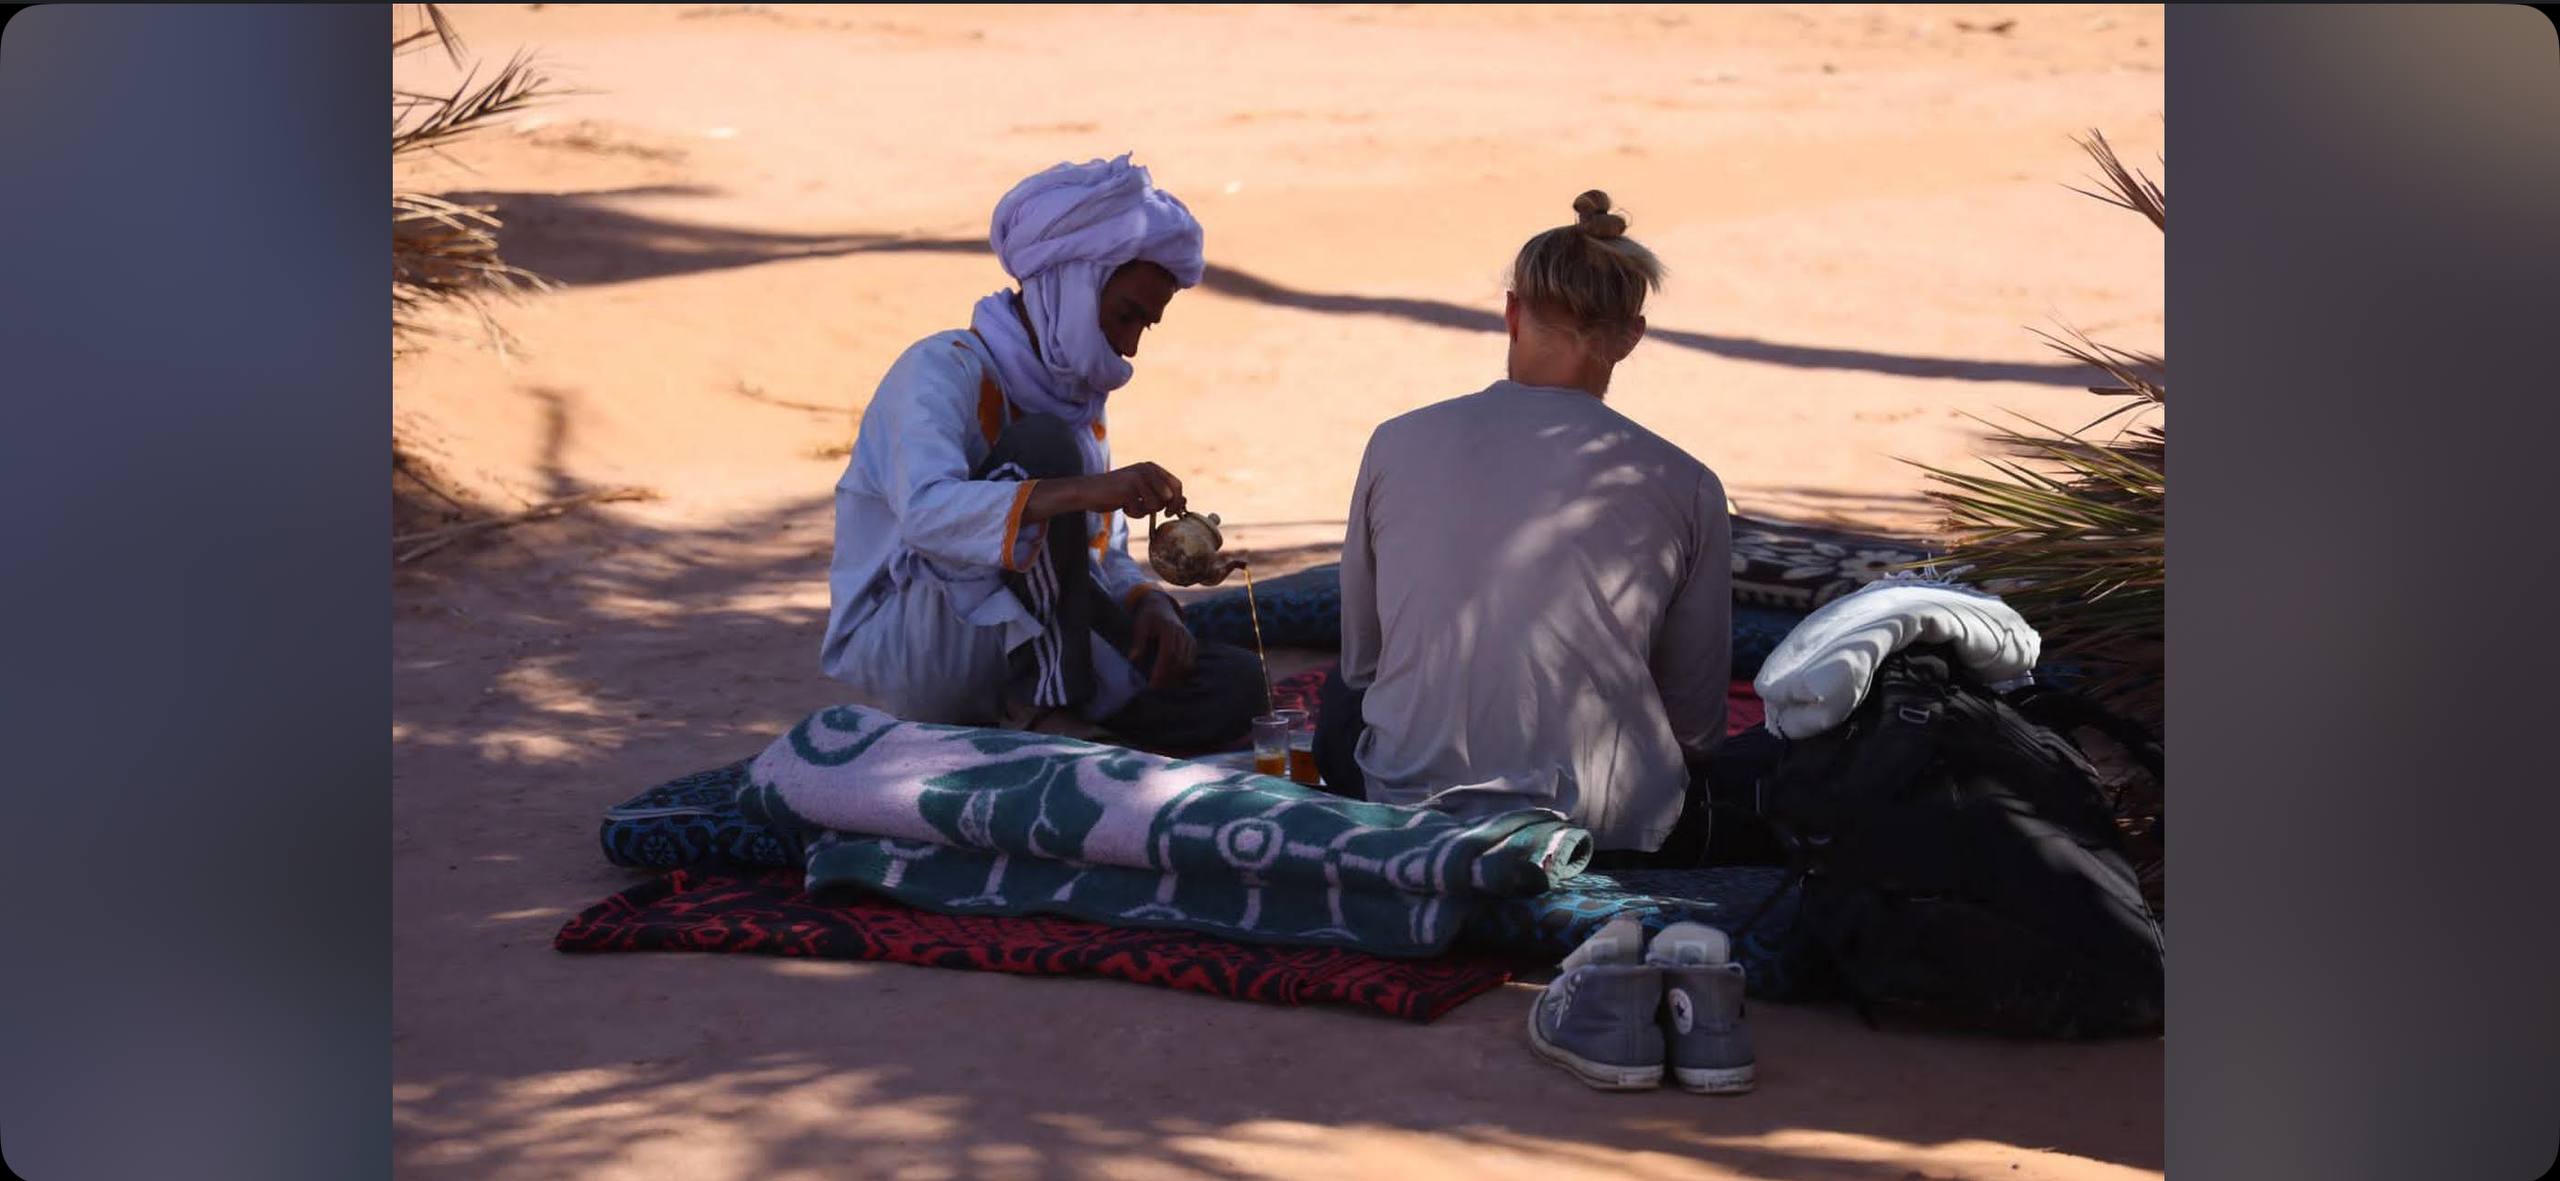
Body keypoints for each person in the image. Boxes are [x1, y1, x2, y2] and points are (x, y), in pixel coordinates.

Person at [1316, 190, 1733, 856]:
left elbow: (1363, 661)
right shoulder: (1687, 482)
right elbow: (1696, 729)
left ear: (1512, 313)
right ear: (1630, 336)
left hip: (1404, 804)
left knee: (1342, 704)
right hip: (1616, 824)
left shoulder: (1395, 442)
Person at [820, 154, 1263, 750]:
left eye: (1146, 327)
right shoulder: (940, 369)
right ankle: (1049, 711)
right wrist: (1085, 489)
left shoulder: (1077, 397)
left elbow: (1096, 556)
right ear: (1075, 287)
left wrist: (1148, 603)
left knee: (1234, 684)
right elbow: (927, 515)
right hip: (925, 641)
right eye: (1125, 315)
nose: (1130, 345)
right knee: (1045, 448)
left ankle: (1063, 725)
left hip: (1029, 644)